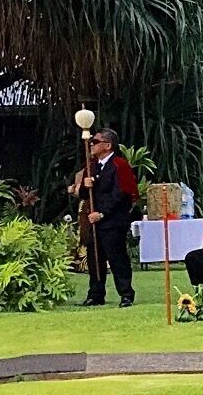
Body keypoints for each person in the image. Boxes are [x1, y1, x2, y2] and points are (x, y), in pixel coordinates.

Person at [81, 128, 140, 307]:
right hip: (93, 220)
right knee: (94, 258)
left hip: (113, 221)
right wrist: (85, 185)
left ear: (107, 145)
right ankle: (96, 293)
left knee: (117, 258)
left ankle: (126, 293)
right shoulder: (91, 166)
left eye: (96, 141)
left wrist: (103, 213)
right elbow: (84, 194)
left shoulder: (119, 165)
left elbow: (121, 194)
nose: (92, 144)